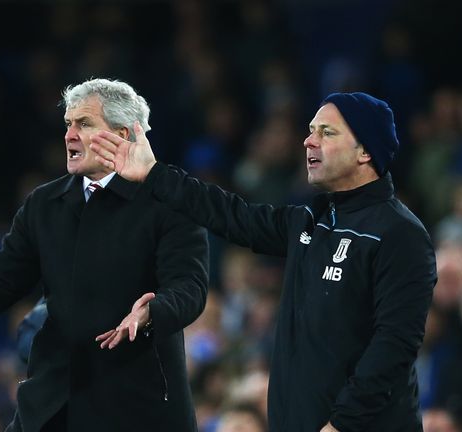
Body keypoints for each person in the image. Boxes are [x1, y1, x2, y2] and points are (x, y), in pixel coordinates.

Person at [0, 78, 209, 432]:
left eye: (84, 124)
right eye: (68, 124)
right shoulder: (45, 205)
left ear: (122, 134)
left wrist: (153, 312)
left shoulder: (170, 203)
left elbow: (190, 286)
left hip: (138, 406)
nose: (69, 135)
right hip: (54, 403)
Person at [90, 92, 438, 432]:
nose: (308, 141)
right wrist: (154, 174)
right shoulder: (311, 218)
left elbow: (394, 346)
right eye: (310, 130)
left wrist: (342, 423)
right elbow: (232, 215)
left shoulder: (399, 234)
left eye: (326, 132)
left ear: (365, 151)